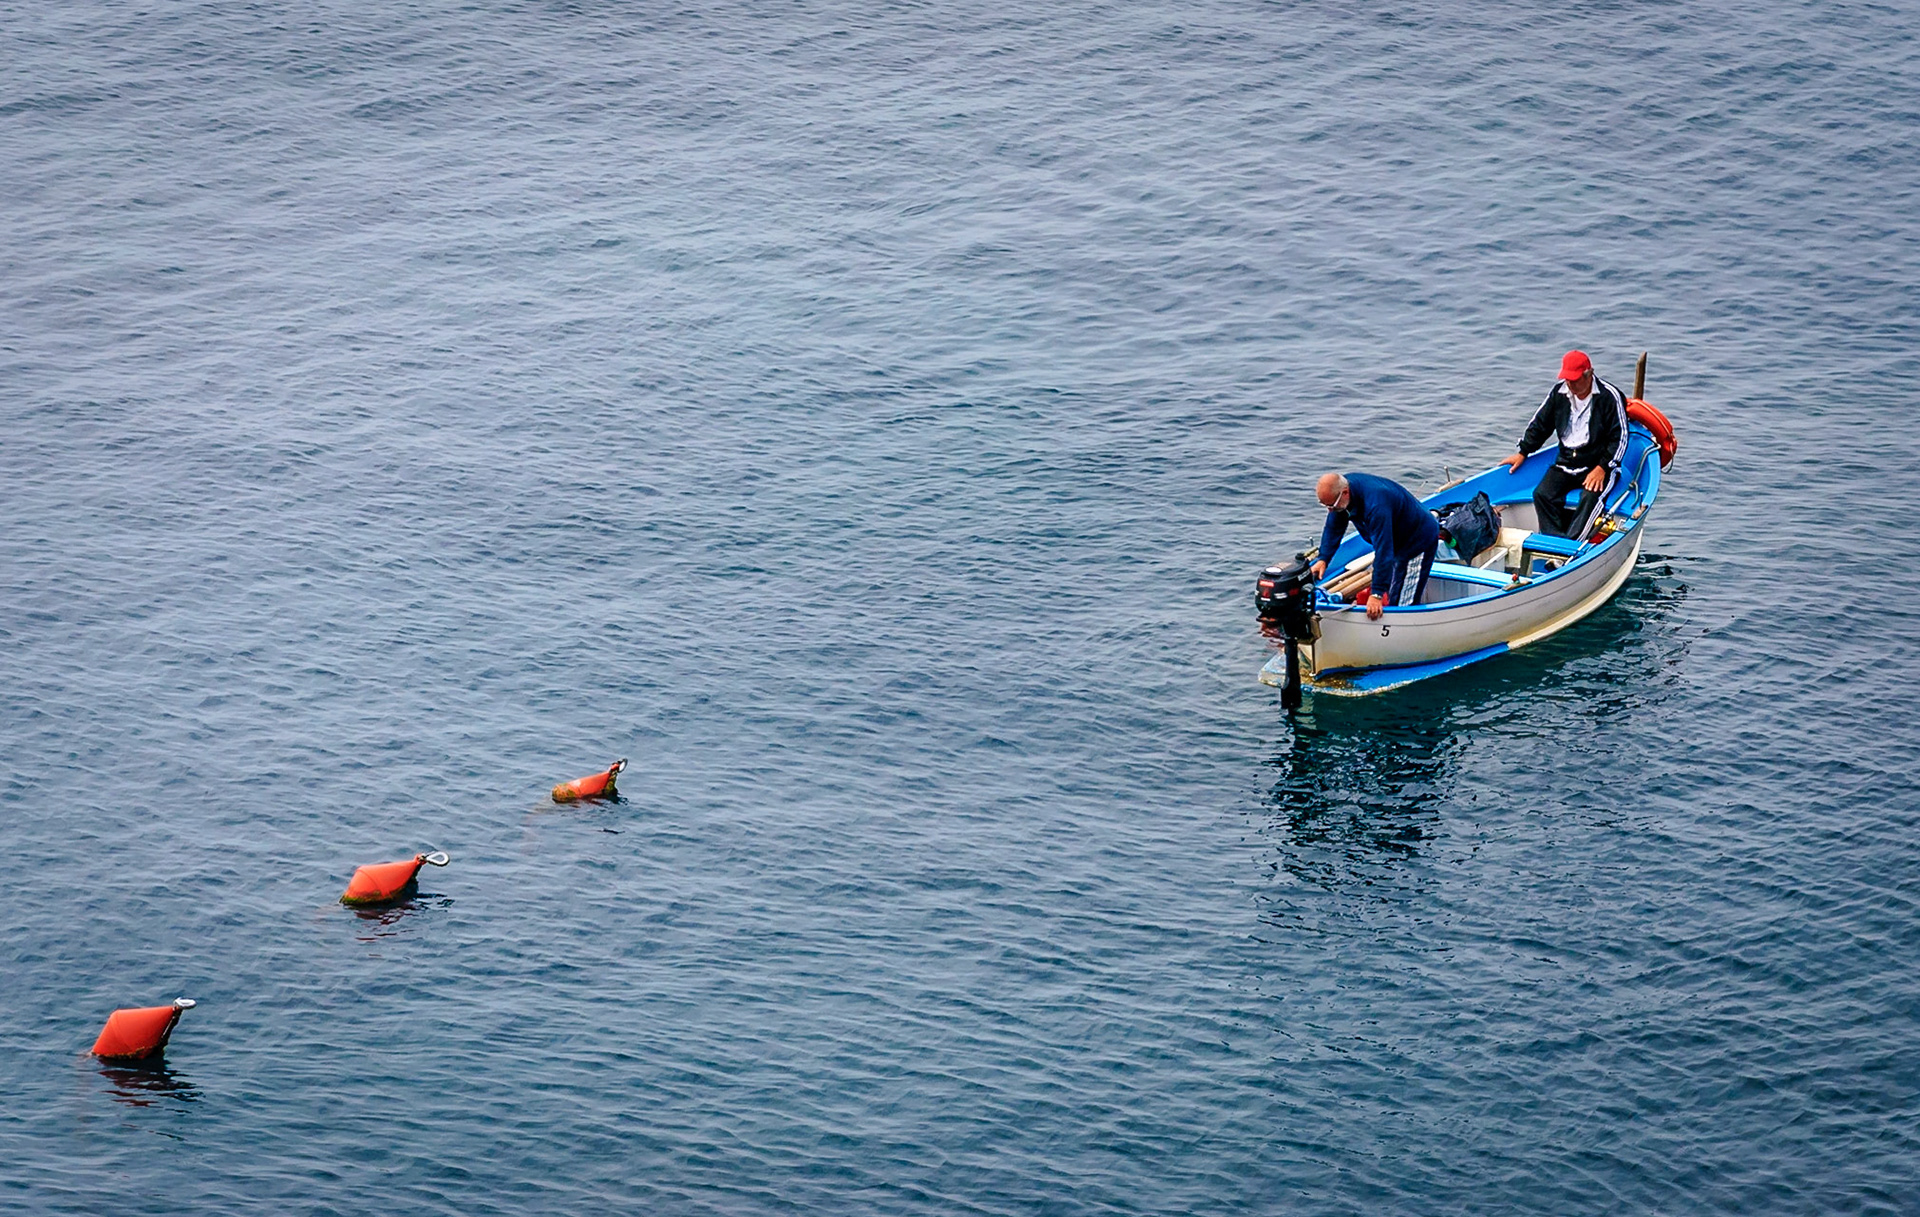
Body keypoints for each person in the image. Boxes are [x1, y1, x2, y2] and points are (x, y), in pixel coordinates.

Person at [1501, 350, 1628, 538]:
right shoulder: (1559, 392)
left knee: (1590, 499)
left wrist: (1603, 468)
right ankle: (1554, 543)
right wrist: (1523, 452)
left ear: (1589, 374)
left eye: (1575, 380)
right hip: (1566, 462)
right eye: (1568, 379)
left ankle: (1572, 549)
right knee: (1542, 495)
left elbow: (1620, 437)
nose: (1570, 384)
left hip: (1597, 464)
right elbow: (1541, 424)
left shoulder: (1610, 397)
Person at [1308, 472, 1440, 621]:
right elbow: (1334, 526)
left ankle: (1402, 633)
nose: (1330, 510)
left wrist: (1376, 594)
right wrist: (1323, 558)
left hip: (1417, 540)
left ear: (1345, 493)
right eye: (1326, 506)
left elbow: (1384, 551)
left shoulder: (1376, 506)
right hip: (1395, 535)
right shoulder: (1341, 494)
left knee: (1402, 604)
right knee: (1391, 582)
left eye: (1331, 506)